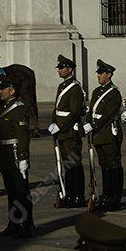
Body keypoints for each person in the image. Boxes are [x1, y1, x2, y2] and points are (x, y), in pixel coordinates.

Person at [0, 75, 34, 238]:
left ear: (12, 91)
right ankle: (14, 223)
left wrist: (24, 158)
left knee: (21, 191)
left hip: (16, 153)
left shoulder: (18, 109)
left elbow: (23, 136)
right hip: (5, 153)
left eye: (3, 89)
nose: (0, 91)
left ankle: (26, 224)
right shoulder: (3, 107)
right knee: (11, 191)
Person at [85, 60, 125, 211]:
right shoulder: (97, 92)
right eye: (98, 73)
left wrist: (93, 125)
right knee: (105, 166)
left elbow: (109, 114)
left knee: (113, 165)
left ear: (109, 74)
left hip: (109, 134)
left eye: (101, 73)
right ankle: (107, 195)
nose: (98, 76)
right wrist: (87, 123)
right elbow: (91, 111)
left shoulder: (114, 93)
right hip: (98, 136)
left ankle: (115, 197)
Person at [49, 54, 86, 209]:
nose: (59, 70)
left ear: (69, 69)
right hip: (62, 130)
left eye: (61, 68)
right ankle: (69, 193)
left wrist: (61, 125)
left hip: (70, 130)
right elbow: (58, 108)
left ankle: (78, 195)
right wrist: (53, 122)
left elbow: (75, 112)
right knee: (65, 163)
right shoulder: (63, 86)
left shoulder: (75, 88)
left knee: (73, 163)